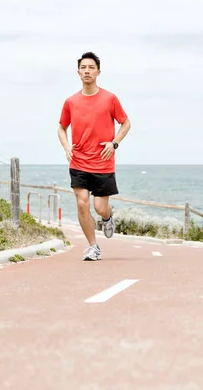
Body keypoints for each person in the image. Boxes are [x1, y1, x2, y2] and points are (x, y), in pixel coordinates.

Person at [57, 52, 131, 261]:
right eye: (83, 67)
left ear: (98, 72)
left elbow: (126, 123)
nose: (87, 71)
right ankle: (92, 246)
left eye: (91, 67)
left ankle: (107, 218)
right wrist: (66, 146)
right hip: (78, 161)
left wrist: (114, 143)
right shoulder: (70, 102)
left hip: (103, 162)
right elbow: (61, 128)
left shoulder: (110, 98)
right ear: (78, 72)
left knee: (99, 207)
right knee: (82, 203)